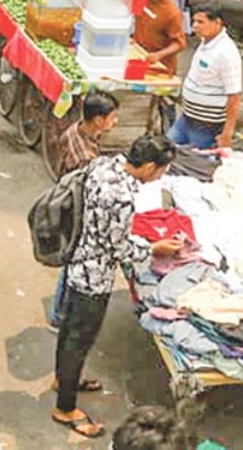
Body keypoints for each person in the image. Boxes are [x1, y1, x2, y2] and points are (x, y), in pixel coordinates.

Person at [52, 134, 181, 439]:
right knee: (79, 338)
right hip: (93, 277)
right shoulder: (122, 196)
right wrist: (154, 249)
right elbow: (117, 249)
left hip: (77, 259)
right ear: (149, 166)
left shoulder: (105, 165)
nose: (160, 177)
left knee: (70, 330)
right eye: (161, 170)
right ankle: (65, 408)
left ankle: (64, 380)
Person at [45, 90, 120, 331]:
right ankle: (58, 316)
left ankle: (59, 313)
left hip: (66, 197)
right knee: (72, 263)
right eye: (113, 117)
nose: (115, 121)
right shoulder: (86, 158)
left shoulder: (75, 130)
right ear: (98, 120)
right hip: (74, 209)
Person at [169, 5, 242, 149]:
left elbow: (234, 96)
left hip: (207, 126)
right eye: (194, 21)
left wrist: (227, 132)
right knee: (168, 148)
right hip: (187, 118)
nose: (195, 26)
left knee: (198, 162)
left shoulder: (226, 53)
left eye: (200, 22)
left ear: (217, 23)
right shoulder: (206, 42)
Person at [133, 0, 186, 76]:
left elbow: (179, 44)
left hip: (160, 67)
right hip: (139, 56)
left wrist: (158, 55)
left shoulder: (172, 13)